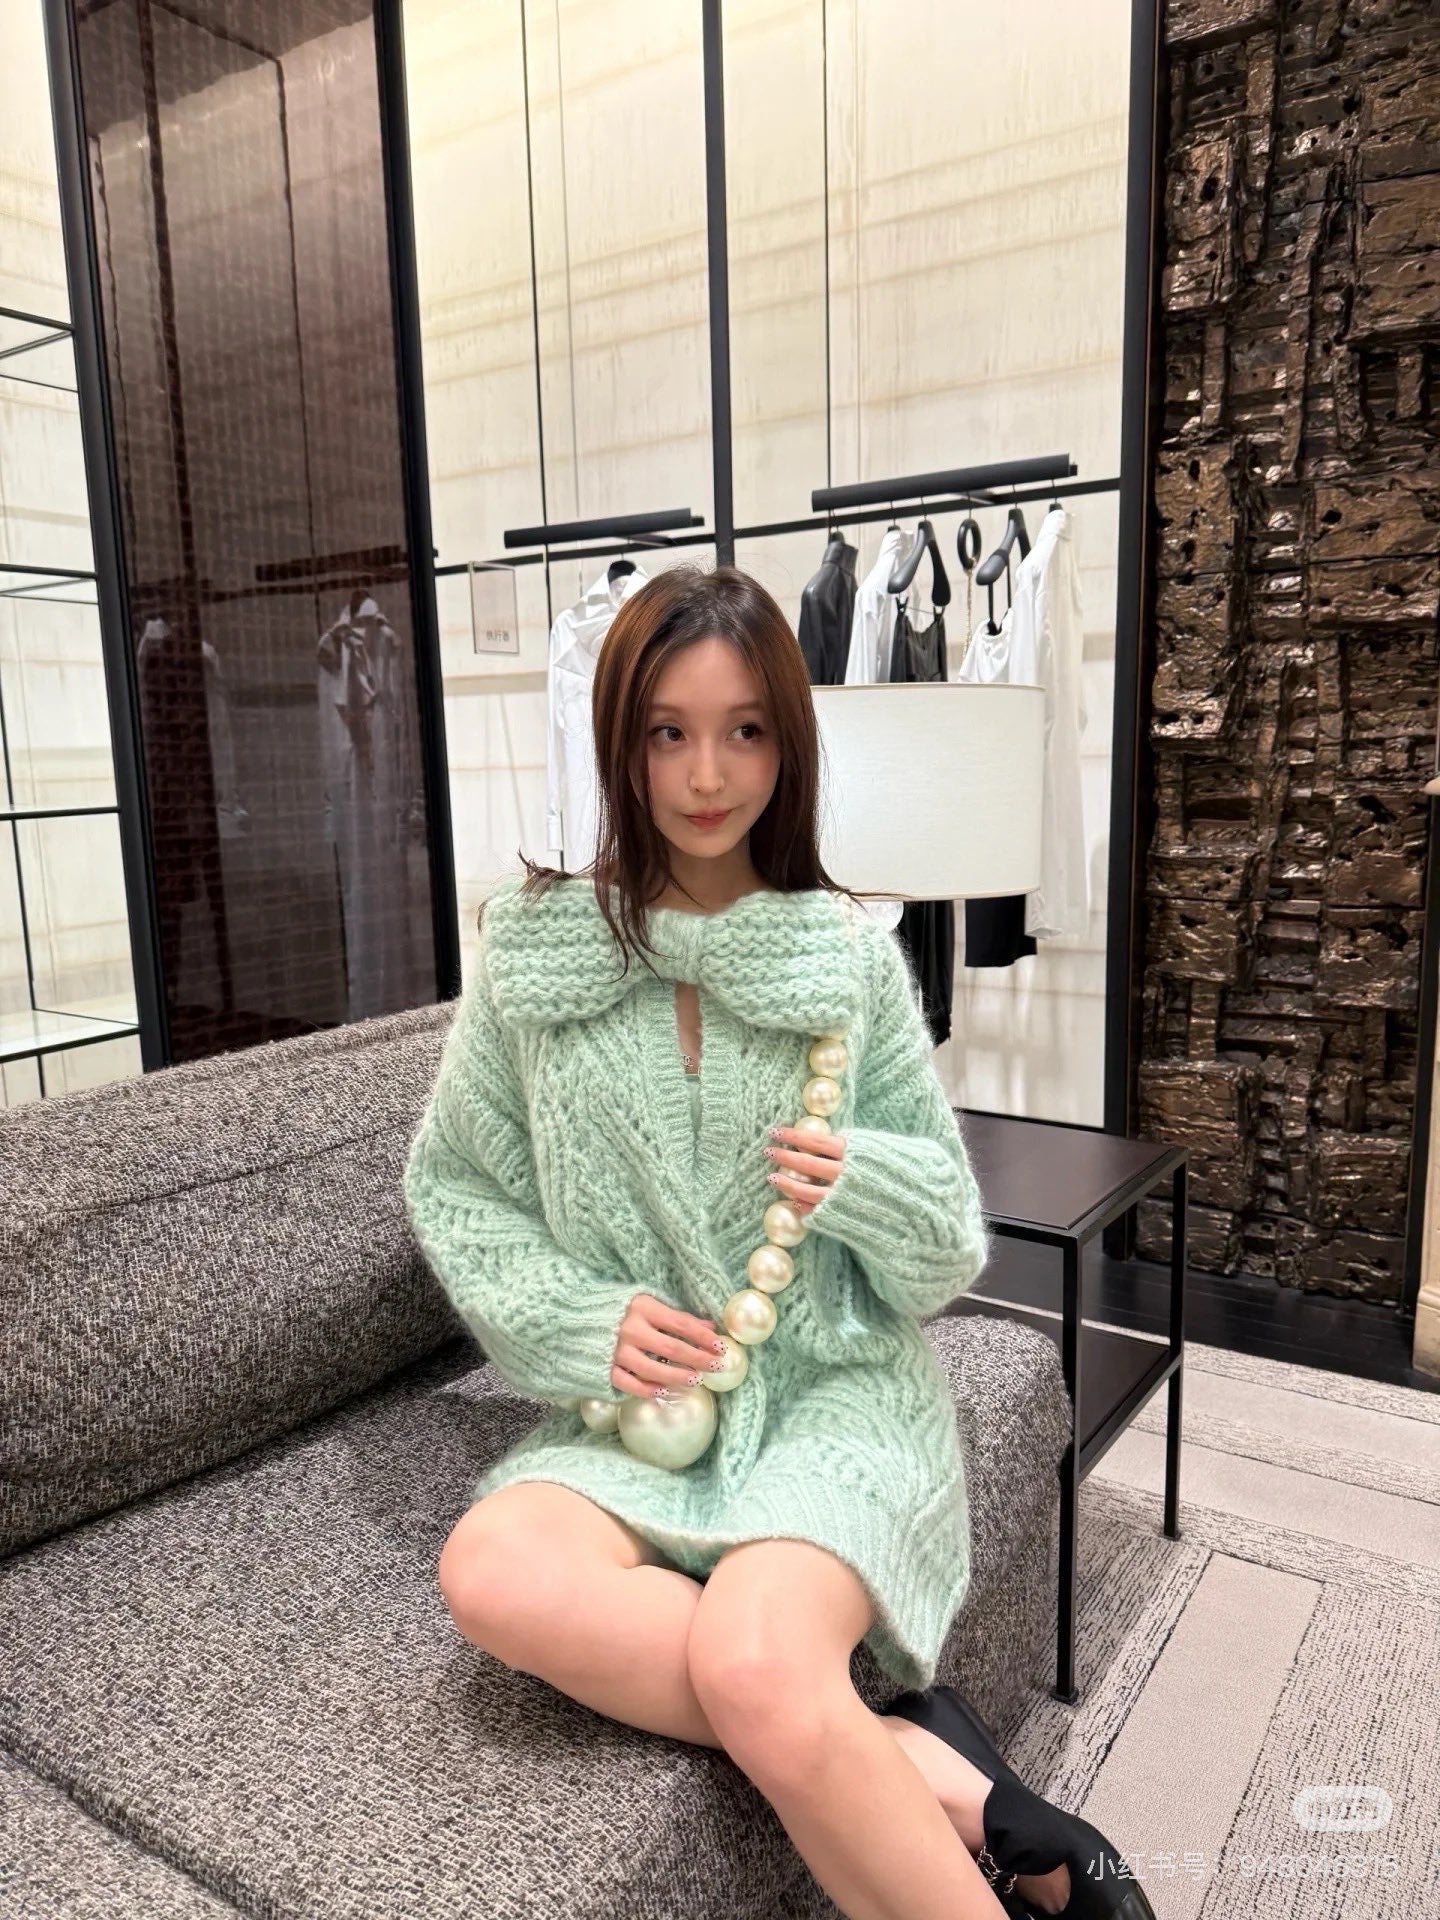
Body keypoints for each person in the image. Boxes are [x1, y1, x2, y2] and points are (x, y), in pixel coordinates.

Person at [403, 565, 1153, 1920]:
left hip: (830, 1398)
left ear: (788, 744)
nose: (707, 775)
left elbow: (947, 1248)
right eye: (668, 732)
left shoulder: (847, 960)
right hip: (636, 1425)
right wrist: (580, 1323)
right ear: (620, 742)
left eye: (745, 730)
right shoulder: (532, 956)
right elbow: (458, 1187)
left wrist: (857, 1179)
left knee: (758, 1662)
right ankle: (938, 1771)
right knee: (489, 1571)